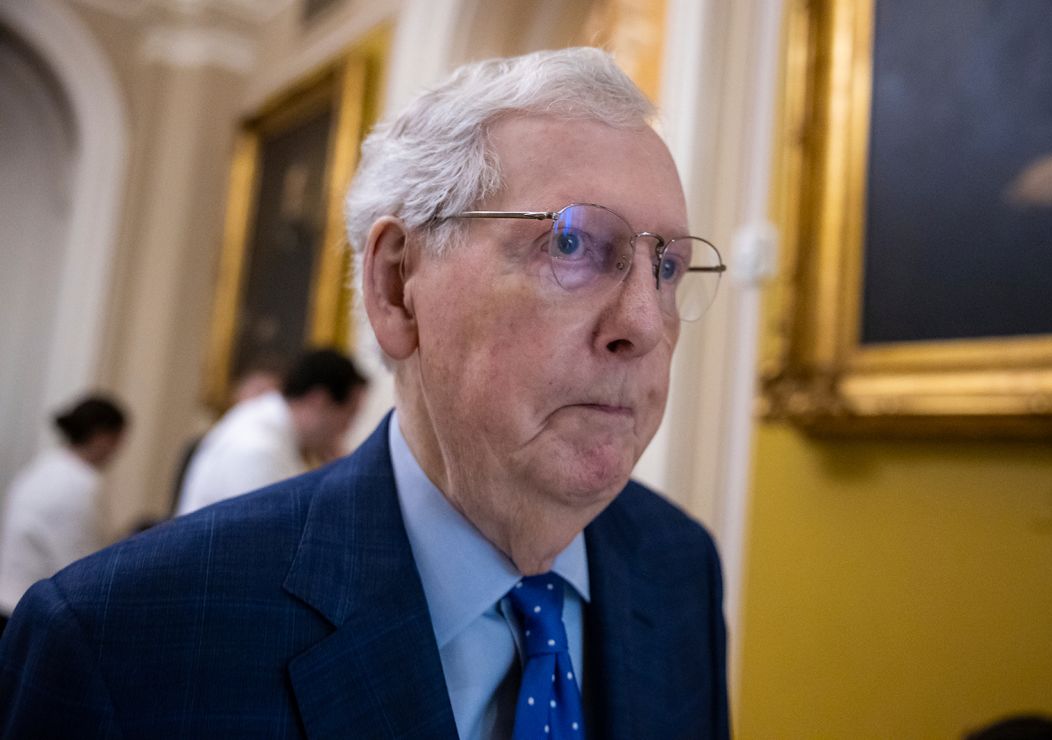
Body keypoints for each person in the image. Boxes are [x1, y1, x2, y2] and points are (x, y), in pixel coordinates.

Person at [0, 48, 730, 739]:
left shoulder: (678, 567)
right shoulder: (122, 645)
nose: (642, 322)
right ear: (396, 288)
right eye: (572, 244)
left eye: (666, 268)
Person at [174, 348, 366, 516]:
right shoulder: (260, 449)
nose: (347, 428)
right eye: (349, 415)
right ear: (318, 400)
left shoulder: (268, 424)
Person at [0, 395, 128, 632]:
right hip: (30, 610)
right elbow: (83, 564)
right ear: (102, 436)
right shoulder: (81, 483)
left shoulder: (42, 466)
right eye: (117, 442)